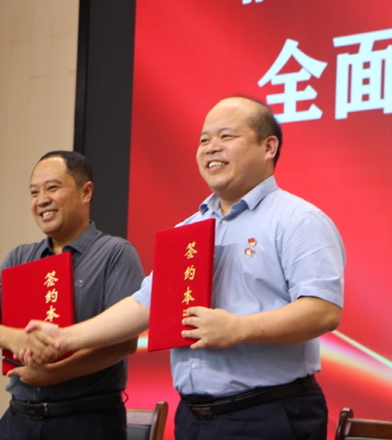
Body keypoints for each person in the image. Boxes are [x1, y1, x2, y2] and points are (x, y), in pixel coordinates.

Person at [25, 96, 346, 440]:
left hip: (268, 414)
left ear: (268, 147)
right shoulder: (188, 229)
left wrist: (239, 328)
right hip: (194, 418)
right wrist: (64, 337)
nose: (211, 148)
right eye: (204, 140)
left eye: (226, 136)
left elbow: (323, 310)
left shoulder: (298, 219)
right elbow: (145, 305)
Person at [0, 150, 145, 440]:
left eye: (52, 188)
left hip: (86, 421)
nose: (41, 200)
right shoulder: (20, 257)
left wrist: (56, 373)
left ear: (86, 192)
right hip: (19, 420)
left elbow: (123, 343)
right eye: (34, 192)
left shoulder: (115, 253)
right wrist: (16, 339)